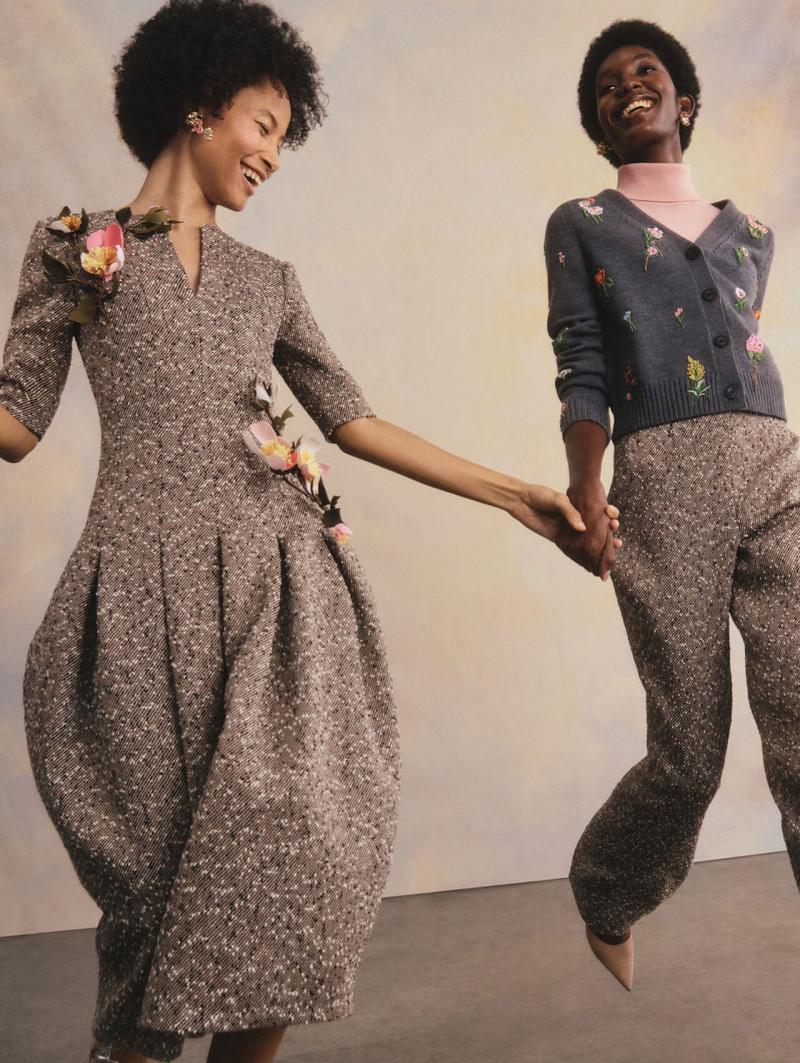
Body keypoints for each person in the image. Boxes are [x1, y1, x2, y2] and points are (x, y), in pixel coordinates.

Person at [0, 2, 621, 1061]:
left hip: (277, 593)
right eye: (265, 125)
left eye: (285, 137)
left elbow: (353, 420)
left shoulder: (268, 280)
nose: (273, 155)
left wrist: (515, 495)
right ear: (200, 106)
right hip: (136, 591)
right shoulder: (78, 250)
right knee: (153, 891)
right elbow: (16, 424)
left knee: (289, 859)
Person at [546, 17, 800, 992]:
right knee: (690, 752)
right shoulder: (580, 221)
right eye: (605, 86)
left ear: (683, 100)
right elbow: (582, 360)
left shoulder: (753, 234)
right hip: (662, 477)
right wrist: (586, 482)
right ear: (598, 127)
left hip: (775, 465)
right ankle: (608, 887)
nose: (625, 87)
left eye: (643, 71)